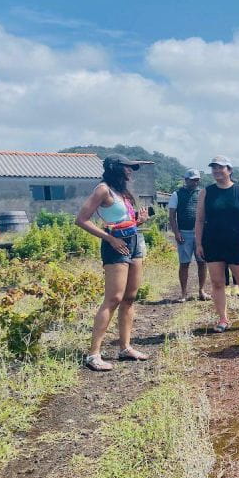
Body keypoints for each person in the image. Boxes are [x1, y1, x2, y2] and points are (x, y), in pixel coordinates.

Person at [75, 153, 153, 371]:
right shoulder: (103, 190)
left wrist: (139, 220)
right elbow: (81, 220)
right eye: (127, 167)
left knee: (129, 297)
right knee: (113, 298)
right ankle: (93, 354)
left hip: (134, 239)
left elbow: (124, 219)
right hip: (115, 243)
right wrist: (109, 238)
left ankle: (125, 347)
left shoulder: (122, 192)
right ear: (115, 168)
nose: (130, 171)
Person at [195, 155, 239, 332]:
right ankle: (223, 319)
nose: (217, 171)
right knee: (217, 283)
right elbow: (200, 220)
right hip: (213, 243)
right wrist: (199, 244)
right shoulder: (206, 192)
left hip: (235, 243)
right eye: (214, 168)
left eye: (221, 167)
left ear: (229, 170)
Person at [168, 168, 210, 302]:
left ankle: (201, 291)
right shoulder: (177, 194)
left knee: (202, 263)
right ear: (186, 180)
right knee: (184, 263)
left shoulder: (203, 193)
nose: (195, 182)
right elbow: (172, 216)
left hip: (201, 233)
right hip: (184, 233)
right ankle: (183, 293)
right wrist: (176, 232)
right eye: (193, 180)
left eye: (197, 180)